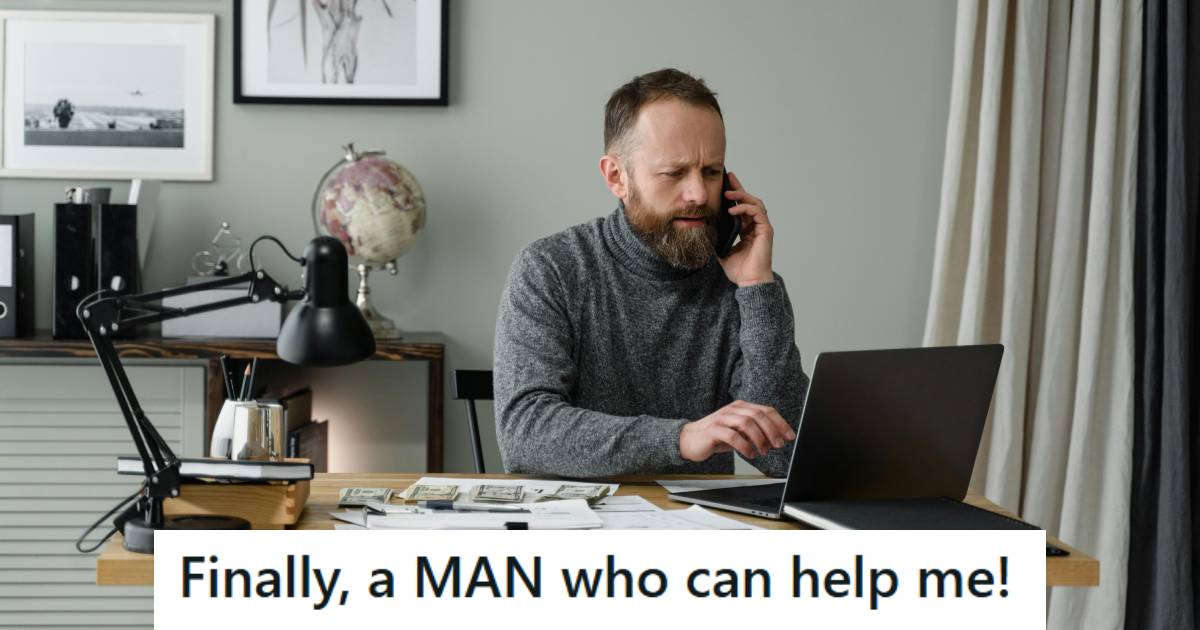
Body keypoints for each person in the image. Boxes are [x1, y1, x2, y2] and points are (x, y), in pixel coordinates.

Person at [493, 68, 809, 477]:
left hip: (699, 530)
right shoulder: (551, 268)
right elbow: (525, 432)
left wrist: (757, 288)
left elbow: (785, 456)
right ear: (616, 177)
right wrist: (680, 438)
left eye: (711, 172)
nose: (698, 194)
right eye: (674, 173)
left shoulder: (744, 286)